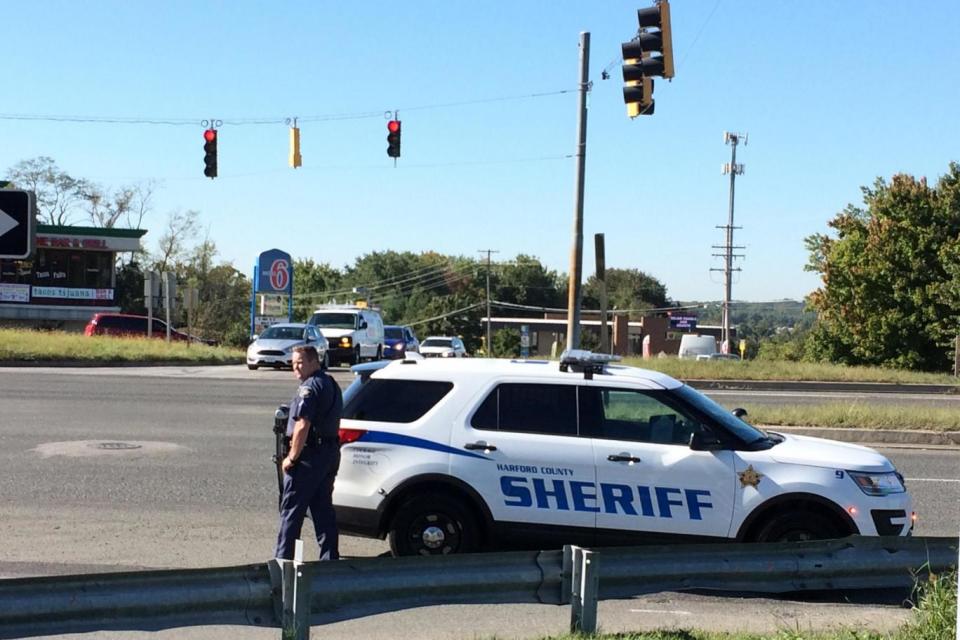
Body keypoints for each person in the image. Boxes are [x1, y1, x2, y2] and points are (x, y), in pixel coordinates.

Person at [274, 345, 343, 561]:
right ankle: (330, 562)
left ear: (314, 362)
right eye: (293, 362)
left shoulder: (310, 388)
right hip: (329, 453)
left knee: (291, 512)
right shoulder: (330, 383)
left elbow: (303, 425)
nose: (295, 367)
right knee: (323, 509)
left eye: (300, 362)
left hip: (309, 457)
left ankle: (282, 563)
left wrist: (292, 457)